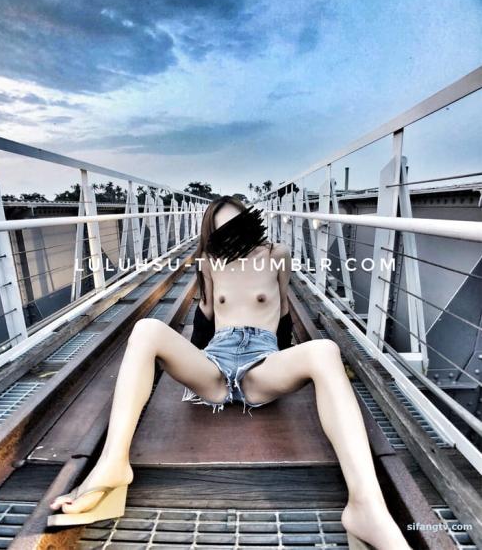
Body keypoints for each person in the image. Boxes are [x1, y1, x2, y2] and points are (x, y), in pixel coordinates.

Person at [48, 196, 411, 550]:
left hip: (261, 364)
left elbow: (284, 308)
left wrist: (289, 361)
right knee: (146, 330)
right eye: (223, 232)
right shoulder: (210, 262)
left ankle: (366, 506)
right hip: (216, 364)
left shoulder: (277, 255)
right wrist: (188, 358)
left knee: (325, 351)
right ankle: (112, 465)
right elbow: (205, 313)